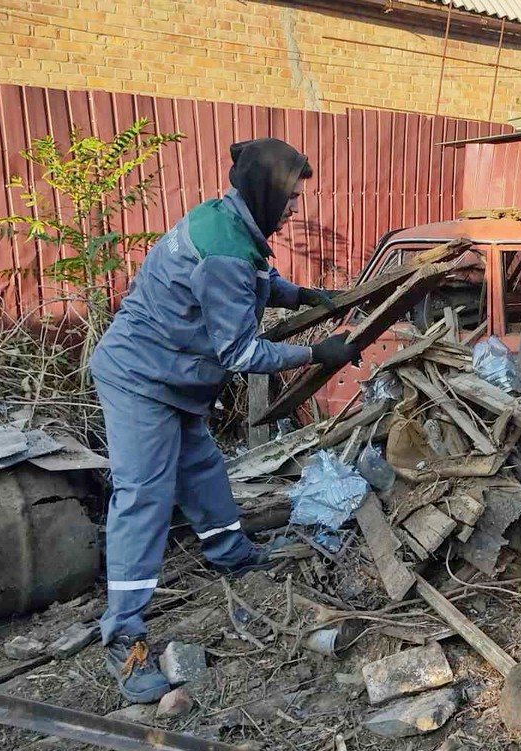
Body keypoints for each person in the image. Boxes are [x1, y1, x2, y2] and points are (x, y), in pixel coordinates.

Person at [89, 138, 356, 703]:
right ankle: (124, 637)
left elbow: (256, 284)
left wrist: (304, 294)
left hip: (174, 376)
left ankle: (232, 556)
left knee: (204, 470)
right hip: (141, 378)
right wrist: (317, 354)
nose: (294, 209)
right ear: (266, 191)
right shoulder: (227, 251)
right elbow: (240, 353)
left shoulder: (228, 222)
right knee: (143, 498)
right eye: (291, 197)